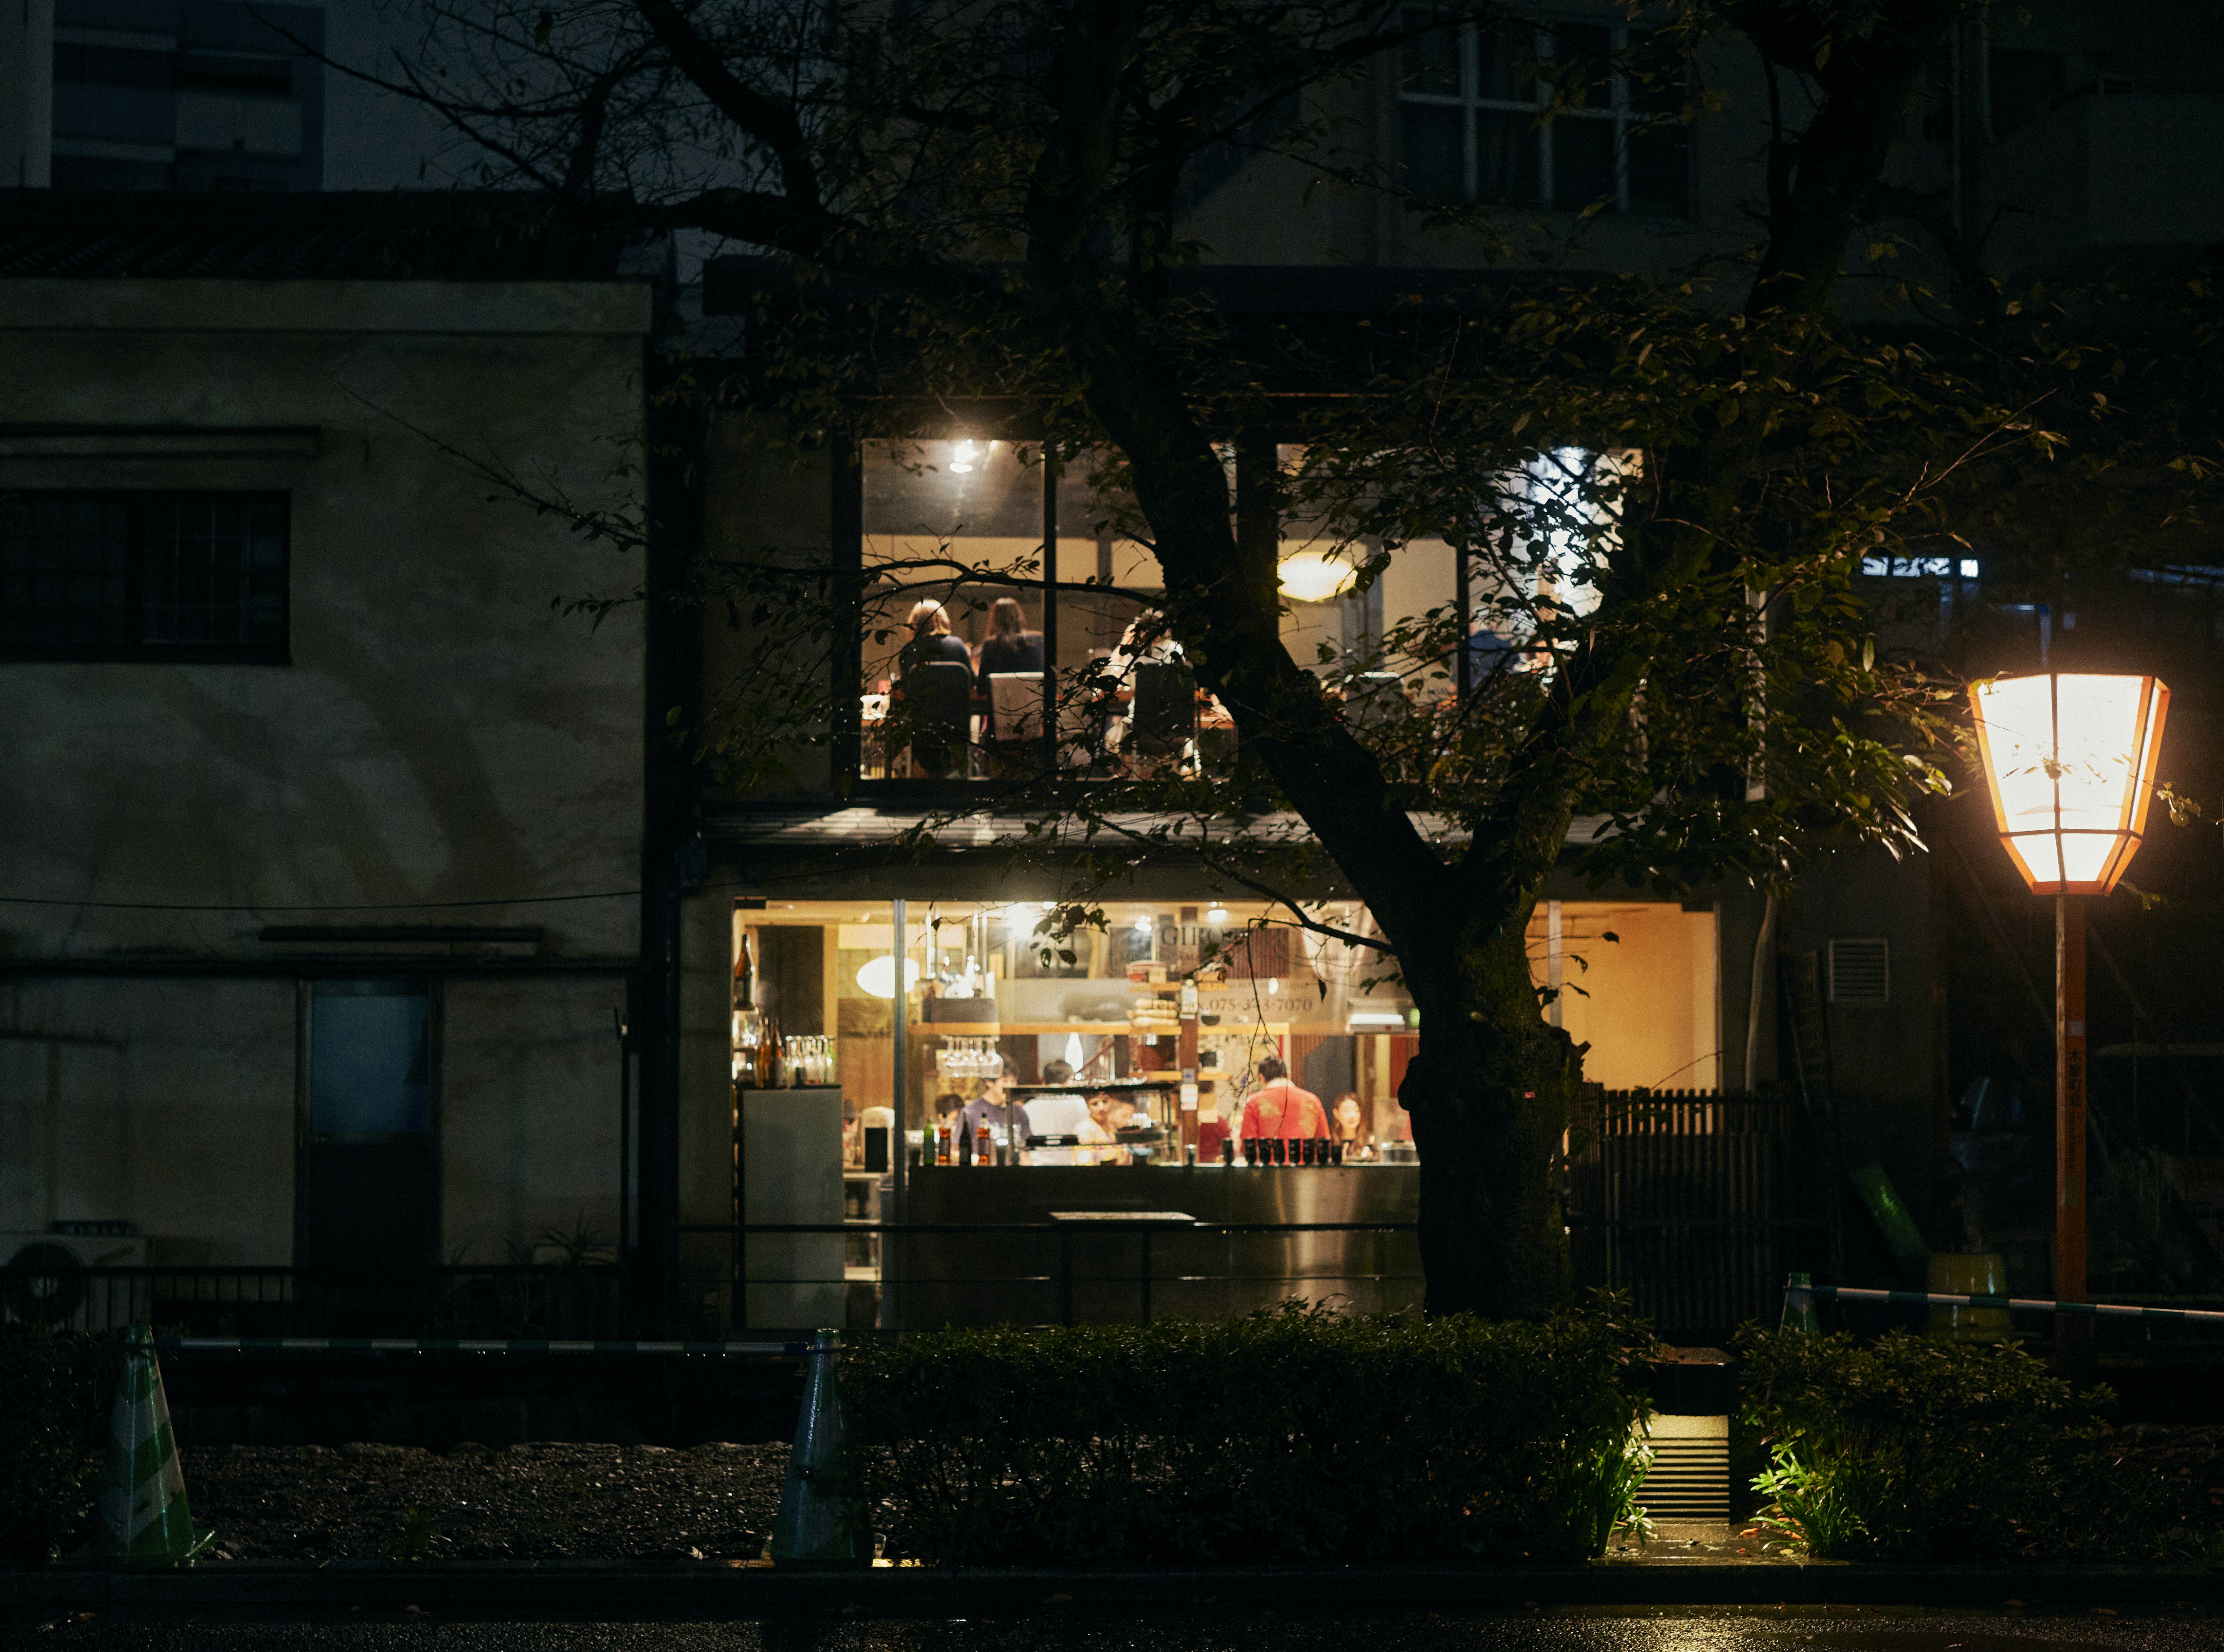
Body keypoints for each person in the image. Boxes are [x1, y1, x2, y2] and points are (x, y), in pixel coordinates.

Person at [1240, 1056, 1329, 1146]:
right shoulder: (1312, 1101)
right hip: (1305, 1160)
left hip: (1269, 1160)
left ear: (1262, 1078)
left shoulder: (1255, 1103)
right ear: (1289, 1075)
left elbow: (1248, 1144)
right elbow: (1324, 1141)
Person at [974, 597, 1044, 695]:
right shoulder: (1038, 640)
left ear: (995, 620)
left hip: (1000, 706)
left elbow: (982, 689)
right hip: (1034, 704)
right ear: (1019, 616)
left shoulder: (991, 646)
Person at [960, 1063, 1029, 1162]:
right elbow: (957, 1150)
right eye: (1005, 1081)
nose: (1010, 1087)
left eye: (1013, 1081)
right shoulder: (970, 1113)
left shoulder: (1019, 1112)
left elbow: (1026, 1151)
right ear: (989, 1082)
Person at [897, 598, 972, 678]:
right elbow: (972, 683)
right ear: (943, 621)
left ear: (914, 623)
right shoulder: (958, 646)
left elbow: (905, 687)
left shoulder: (908, 650)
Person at [1330, 1092, 1373, 1161]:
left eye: (1356, 1110)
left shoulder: (1370, 1141)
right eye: (1346, 1111)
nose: (1352, 1116)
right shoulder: (1330, 1141)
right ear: (1336, 1114)